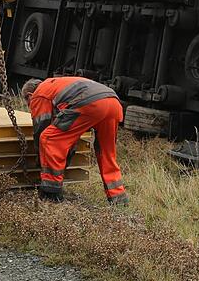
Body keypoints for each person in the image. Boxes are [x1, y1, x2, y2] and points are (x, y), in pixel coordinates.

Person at [21, 76, 129, 205]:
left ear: (30, 95)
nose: (30, 107)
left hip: (91, 104)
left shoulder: (40, 94)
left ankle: (51, 191)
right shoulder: (58, 84)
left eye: (28, 103)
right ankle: (119, 198)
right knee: (106, 153)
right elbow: (68, 135)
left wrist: (41, 162)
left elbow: (41, 128)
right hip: (113, 103)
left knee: (48, 138)